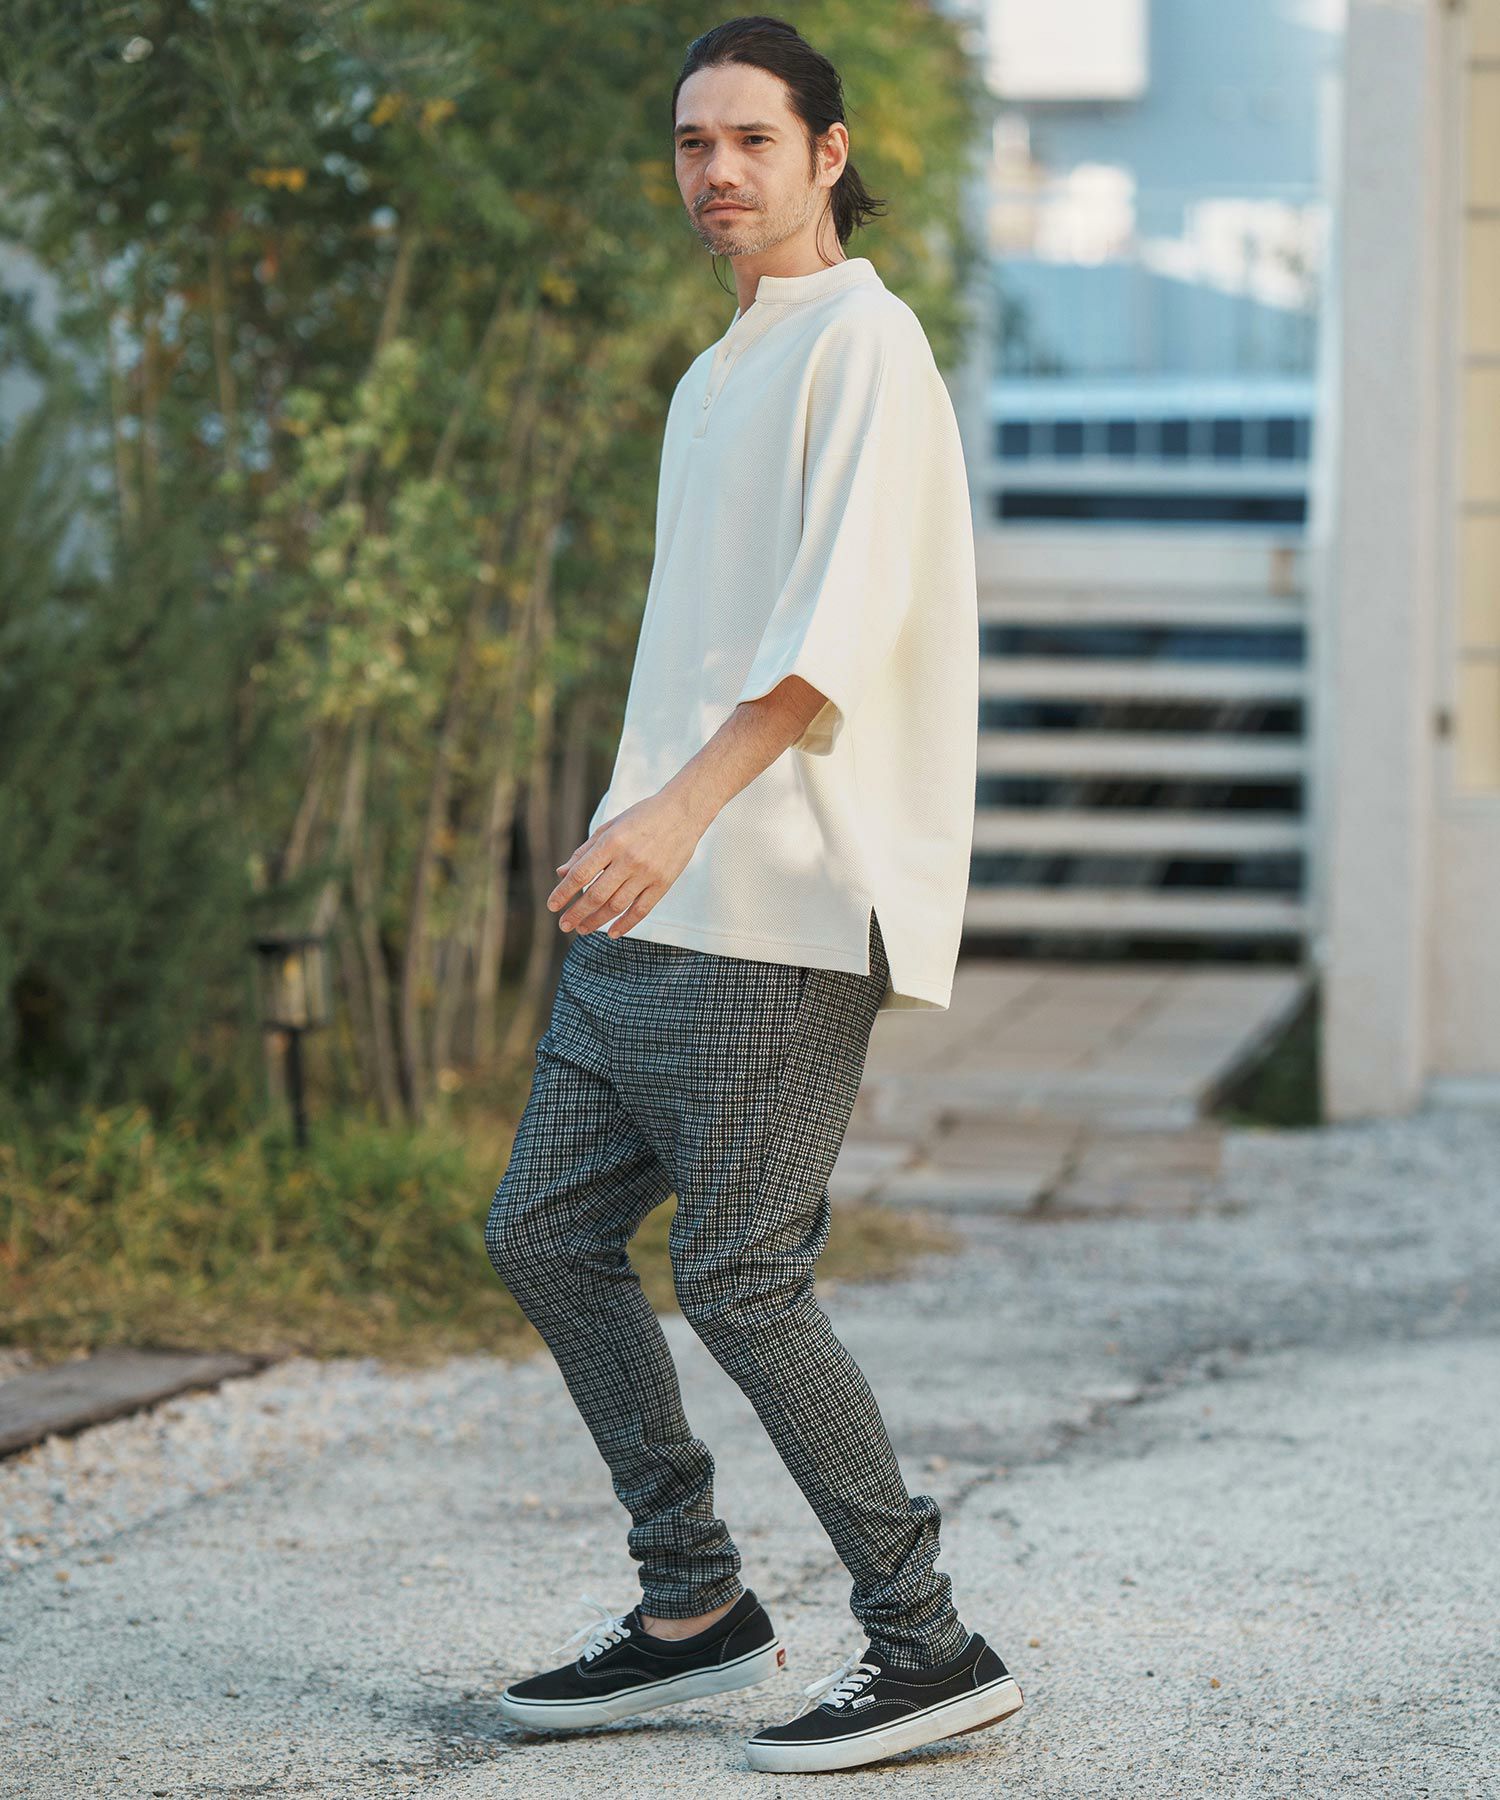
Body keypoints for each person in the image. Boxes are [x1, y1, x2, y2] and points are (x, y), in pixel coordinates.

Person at [485, 15, 1020, 1775]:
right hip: (658, 885)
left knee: (737, 1272)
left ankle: (928, 1647)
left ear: (829, 155)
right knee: (544, 1232)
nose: (717, 172)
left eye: (753, 141)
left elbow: (826, 642)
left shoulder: (866, 345)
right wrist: (639, 826)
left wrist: (674, 817)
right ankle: (694, 1604)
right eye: (693, 143)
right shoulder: (716, 372)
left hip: (781, 893)